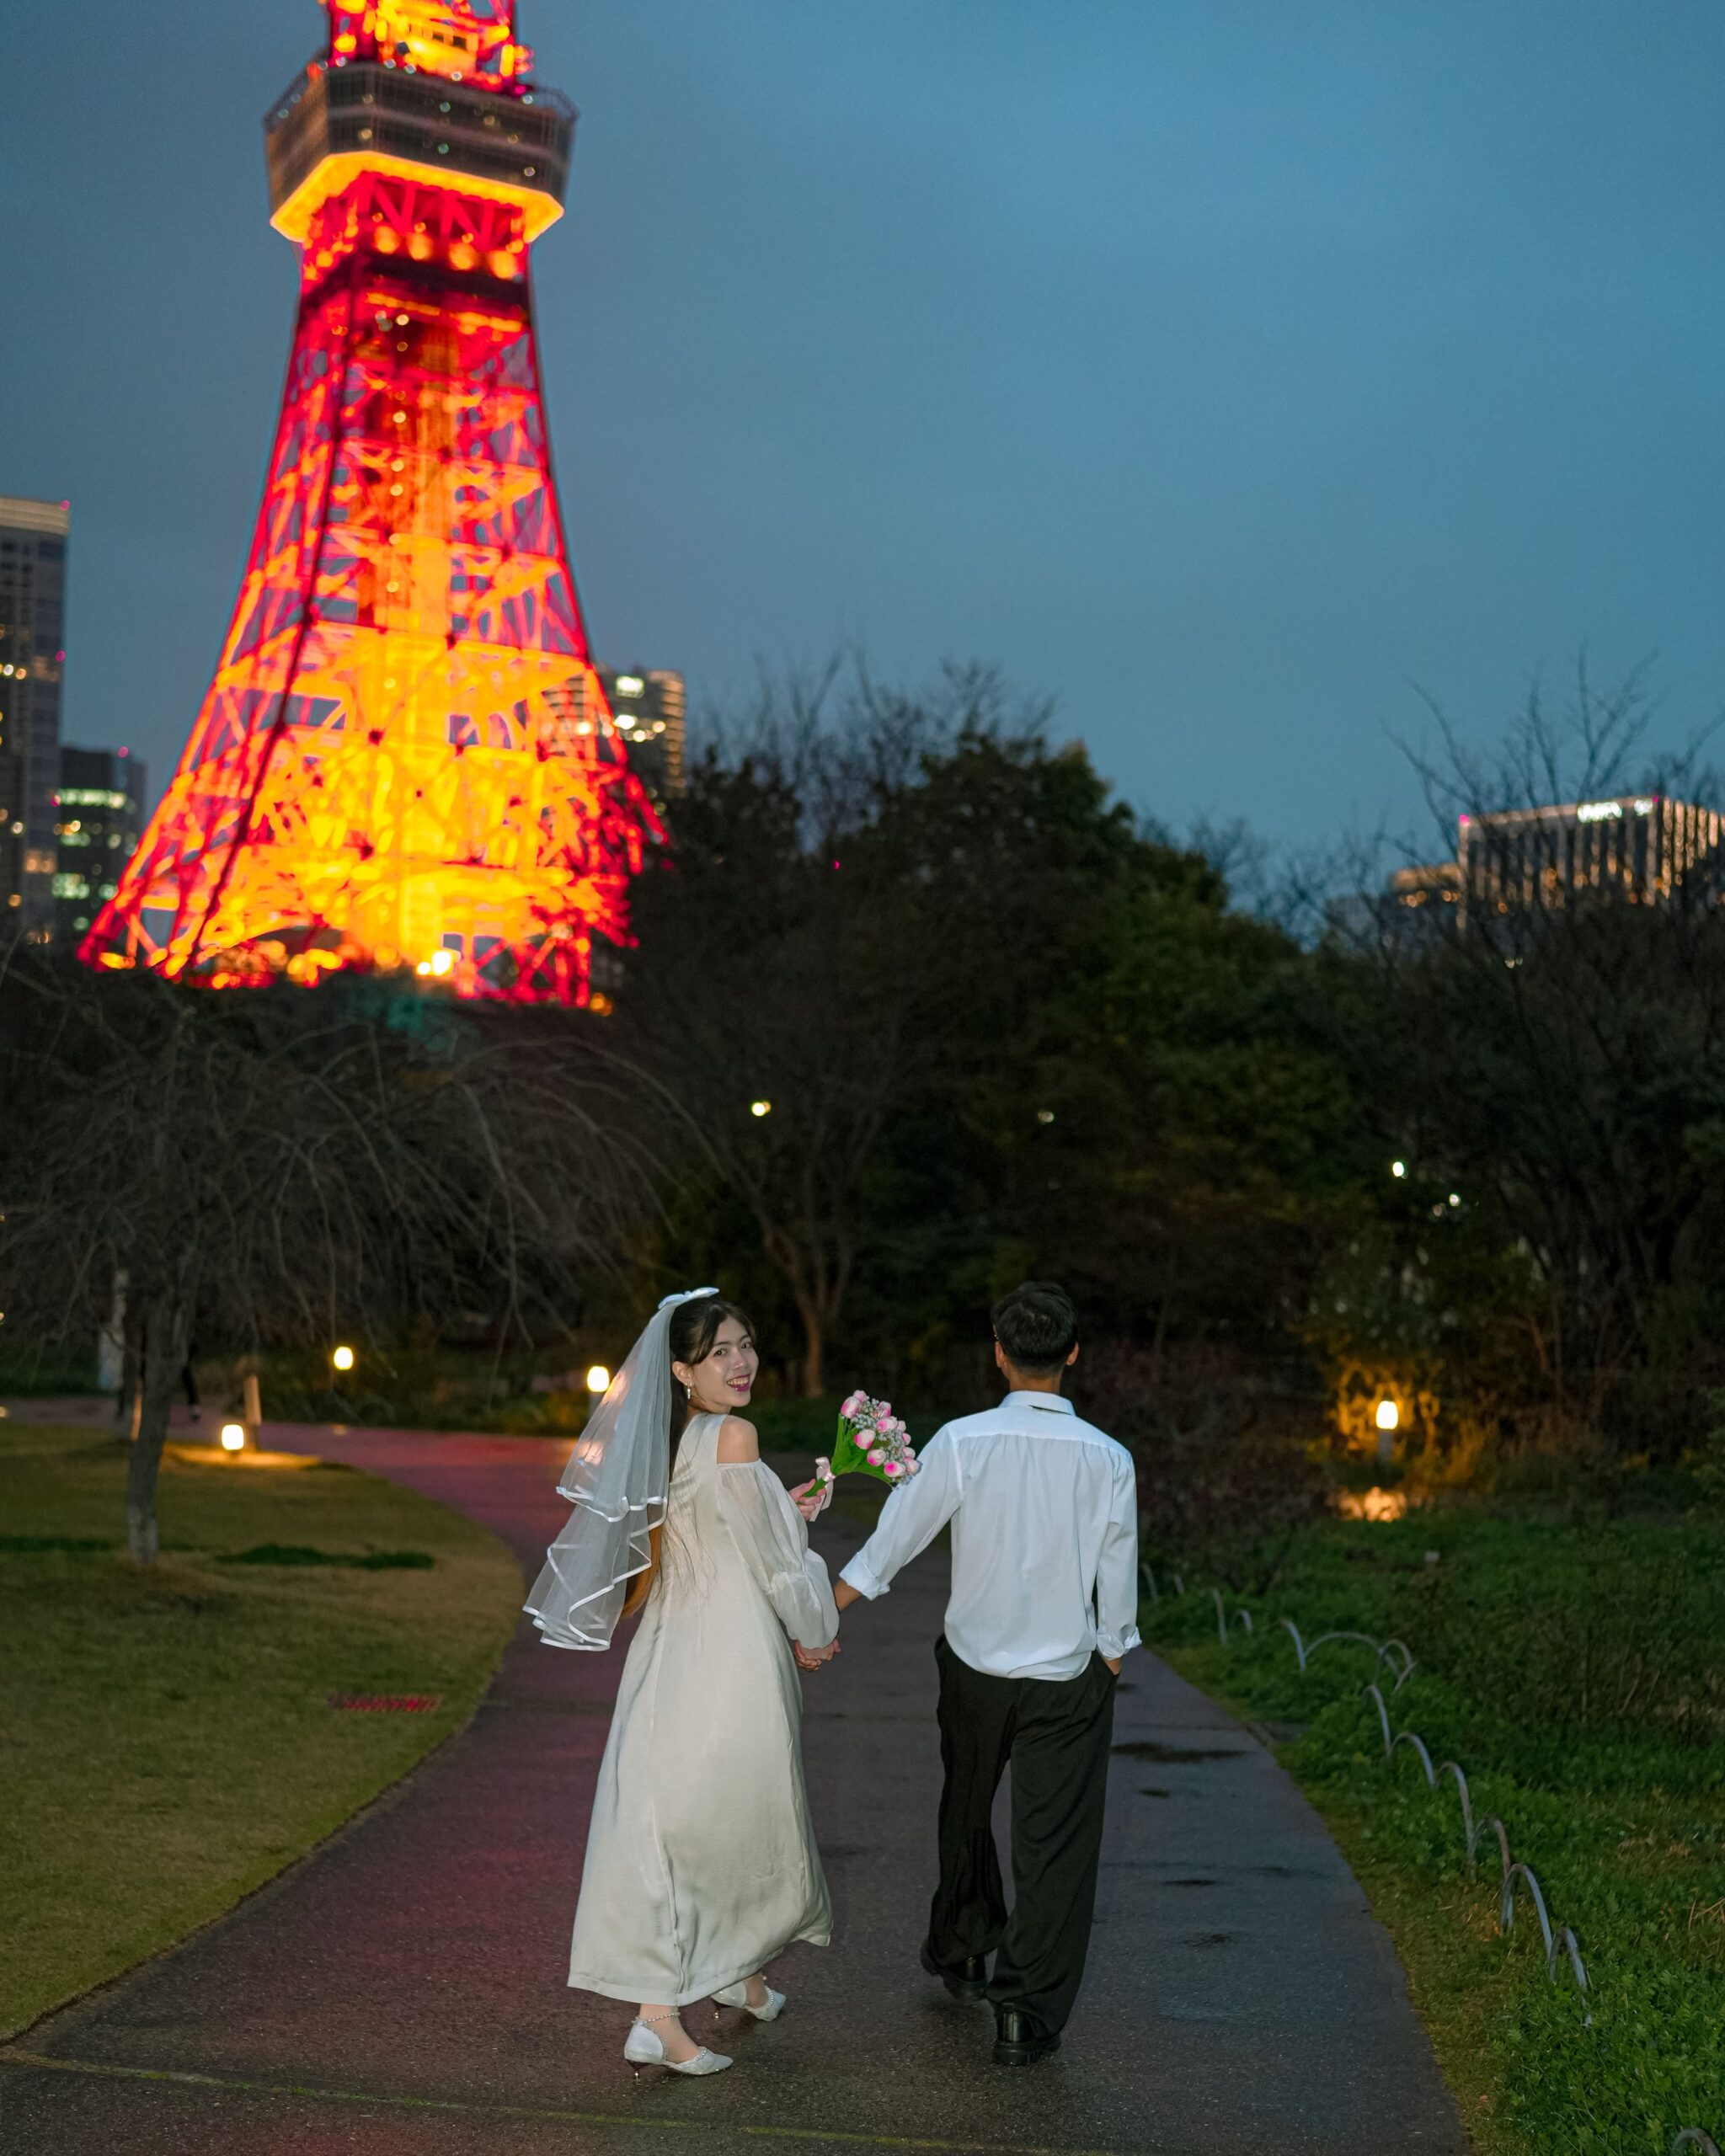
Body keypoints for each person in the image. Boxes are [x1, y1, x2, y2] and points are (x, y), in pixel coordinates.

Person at [526, 1290, 837, 2079]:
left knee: (714, 1815)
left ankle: (738, 1973)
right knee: (714, 1823)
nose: (742, 1362)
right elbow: (773, 1564)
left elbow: (728, 1529)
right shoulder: (732, 1434)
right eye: (719, 1351)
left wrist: (785, 1506)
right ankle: (657, 2017)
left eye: (746, 1344)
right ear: (681, 1369)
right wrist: (815, 1627)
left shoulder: (681, 1437)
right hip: (726, 1659)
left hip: (674, 1651)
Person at [831, 1281, 1139, 2067]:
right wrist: (1112, 1649)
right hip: (1067, 1674)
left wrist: (829, 1607)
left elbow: (898, 1534)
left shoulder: (962, 1442)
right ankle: (1024, 2013)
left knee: (965, 1808)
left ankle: (964, 1947)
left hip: (973, 1665)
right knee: (1055, 1843)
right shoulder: (1109, 1457)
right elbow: (1119, 1563)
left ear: (999, 1354)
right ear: (1072, 1353)